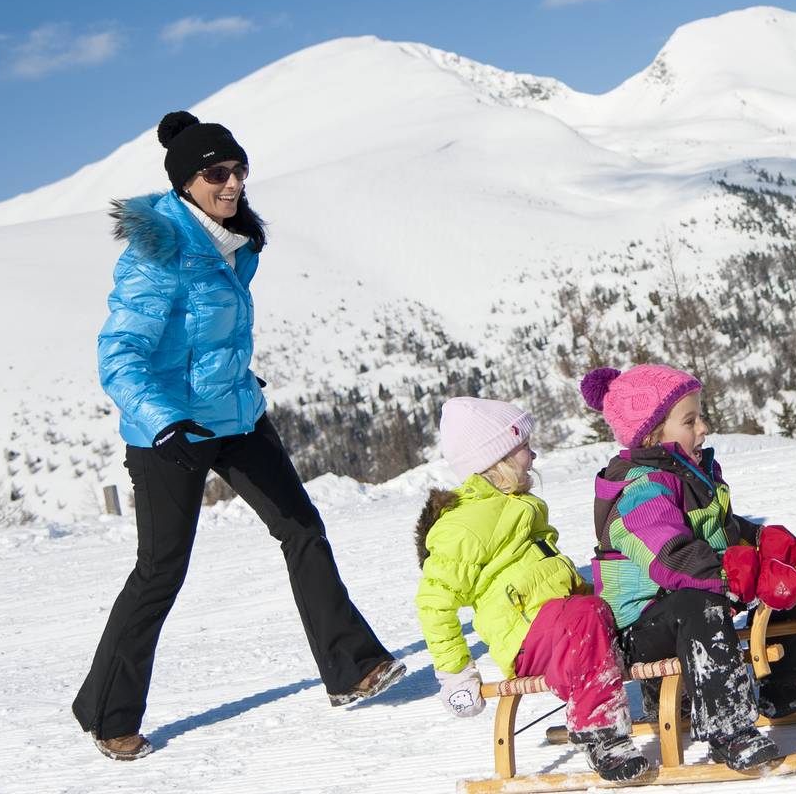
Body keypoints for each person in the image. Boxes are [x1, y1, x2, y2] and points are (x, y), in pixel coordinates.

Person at [73, 111, 404, 760]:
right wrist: (164, 419)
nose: (231, 183)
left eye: (238, 170)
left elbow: (214, 338)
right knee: (161, 569)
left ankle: (352, 669)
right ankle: (107, 710)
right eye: (216, 173)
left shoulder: (232, 241)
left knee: (301, 529)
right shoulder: (158, 252)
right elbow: (121, 353)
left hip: (237, 416)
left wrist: (240, 387)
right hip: (170, 430)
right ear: (185, 183)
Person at [582, 364, 796, 774]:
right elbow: (672, 558)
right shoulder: (640, 490)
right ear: (652, 434)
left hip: (689, 600)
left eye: (700, 416)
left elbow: (725, 532)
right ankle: (727, 728)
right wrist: (740, 572)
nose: (704, 428)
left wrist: (782, 548)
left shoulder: (688, 475)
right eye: (690, 421)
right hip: (640, 625)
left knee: (770, 569)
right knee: (701, 601)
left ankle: (790, 683)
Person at [415, 397, 652, 784]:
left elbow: (546, 576)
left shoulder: (517, 506)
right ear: (499, 459)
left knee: (624, 597)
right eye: (525, 447)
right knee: (585, 614)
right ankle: (602, 734)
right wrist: (456, 672)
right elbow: (433, 604)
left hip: (562, 624)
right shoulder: (465, 526)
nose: (534, 454)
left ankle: (672, 696)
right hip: (528, 642)